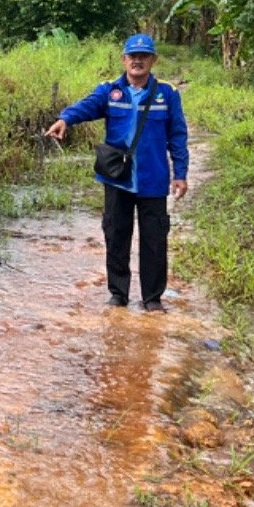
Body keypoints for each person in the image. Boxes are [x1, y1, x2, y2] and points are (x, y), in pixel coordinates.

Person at [44, 35, 189, 311]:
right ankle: (118, 294)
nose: (138, 60)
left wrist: (180, 174)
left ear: (153, 60)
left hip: (153, 179)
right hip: (117, 178)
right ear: (124, 60)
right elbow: (86, 106)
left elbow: (178, 136)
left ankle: (152, 299)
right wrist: (65, 119)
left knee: (154, 240)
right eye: (132, 55)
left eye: (144, 55)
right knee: (116, 235)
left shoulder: (167, 94)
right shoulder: (110, 91)